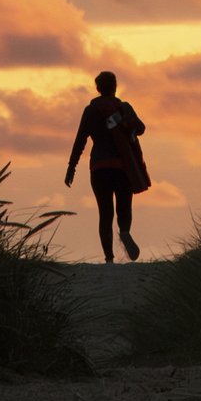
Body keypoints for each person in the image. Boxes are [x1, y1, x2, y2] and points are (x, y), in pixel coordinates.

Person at [64, 69, 146, 262]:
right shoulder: (123, 108)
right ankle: (124, 231)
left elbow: (80, 141)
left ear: (98, 89)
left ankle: (109, 258)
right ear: (115, 87)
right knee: (124, 209)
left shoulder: (90, 111)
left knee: (105, 213)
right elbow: (141, 128)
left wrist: (71, 167)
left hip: (99, 168)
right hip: (122, 168)